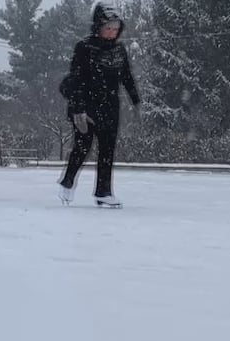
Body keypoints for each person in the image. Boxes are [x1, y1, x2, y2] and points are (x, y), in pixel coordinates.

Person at [57, 2, 140, 208]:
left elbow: (126, 76)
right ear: (98, 26)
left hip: (110, 106)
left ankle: (103, 191)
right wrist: (77, 108)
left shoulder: (119, 51)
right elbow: (76, 79)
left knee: (107, 150)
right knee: (82, 147)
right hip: (86, 106)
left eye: (115, 28)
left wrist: (135, 98)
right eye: (107, 28)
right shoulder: (85, 47)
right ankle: (68, 181)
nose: (111, 32)